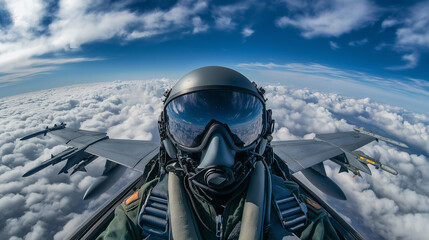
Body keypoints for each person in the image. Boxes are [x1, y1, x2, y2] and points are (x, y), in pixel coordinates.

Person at [97, 66, 340, 240]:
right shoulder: (139, 212)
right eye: (195, 132)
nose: (217, 146)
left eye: (237, 132)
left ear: (264, 132)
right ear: (167, 136)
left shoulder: (296, 212)